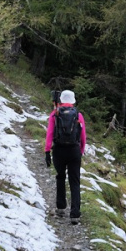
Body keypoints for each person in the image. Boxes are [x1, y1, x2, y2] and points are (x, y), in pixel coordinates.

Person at [45, 89, 86, 224]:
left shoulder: (55, 114)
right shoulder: (78, 115)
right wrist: (80, 150)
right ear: (73, 101)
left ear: (61, 100)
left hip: (59, 150)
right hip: (74, 150)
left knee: (60, 177)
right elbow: (83, 136)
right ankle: (75, 214)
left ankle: (61, 208)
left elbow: (50, 134)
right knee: (75, 181)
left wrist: (47, 151)